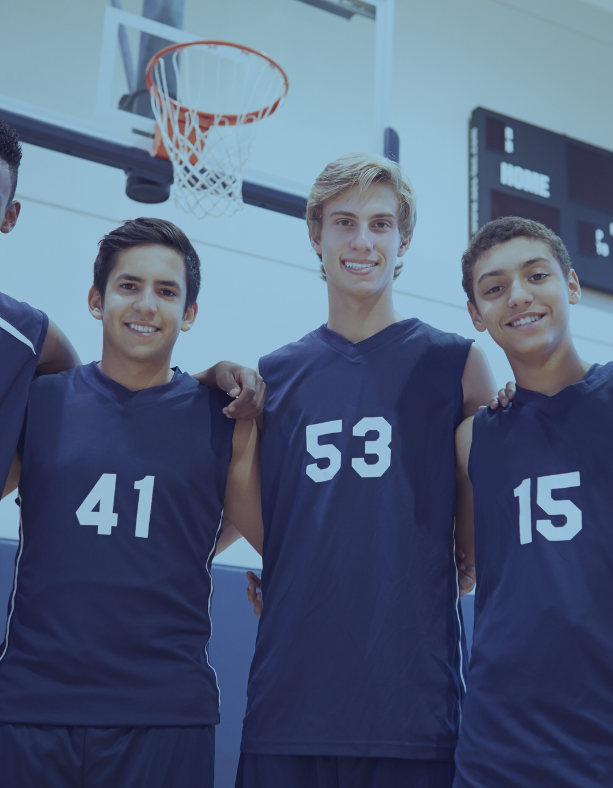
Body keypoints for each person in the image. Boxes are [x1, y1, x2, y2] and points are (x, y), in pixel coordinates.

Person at [0, 110, 261, 788]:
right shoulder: (46, 387)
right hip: (31, 704)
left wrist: (207, 382)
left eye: (166, 291)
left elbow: (212, 505)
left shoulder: (34, 349)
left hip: (141, 710)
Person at [0, 218, 264, 788]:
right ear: (96, 300)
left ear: (191, 312)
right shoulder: (38, 402)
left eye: (167, 291)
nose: (147, 305)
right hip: (32, 707)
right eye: (129, 286)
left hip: (165, 717)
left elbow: (272, 539)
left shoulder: (222, 417)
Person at [236, 153, 498, 788]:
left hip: (411, 706)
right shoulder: (275, 375)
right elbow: (258, 517)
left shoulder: (457, 364)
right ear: (315, 235)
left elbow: (472, 550)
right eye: (344, 222)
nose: (362, 241)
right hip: (290, 699)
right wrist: (303, 570)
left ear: (401, 240)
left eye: (380, 225)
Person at [452, 217, 613, 788]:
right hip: (500, 743)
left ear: (570, 285)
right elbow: (465, 565)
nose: (517, 296)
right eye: (494, 288)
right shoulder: (475, 437)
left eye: (536, 275)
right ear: (477, 315)